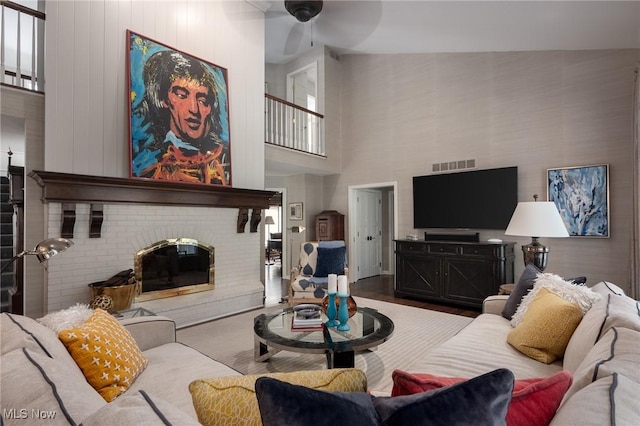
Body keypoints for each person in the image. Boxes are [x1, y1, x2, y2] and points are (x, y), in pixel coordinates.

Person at [132, 50, 230, 185]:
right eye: (181, 95)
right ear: (164, 100)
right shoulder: (150, 161)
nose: (194, 109)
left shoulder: (223, 160)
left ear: (210, 108)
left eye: (202, 100)